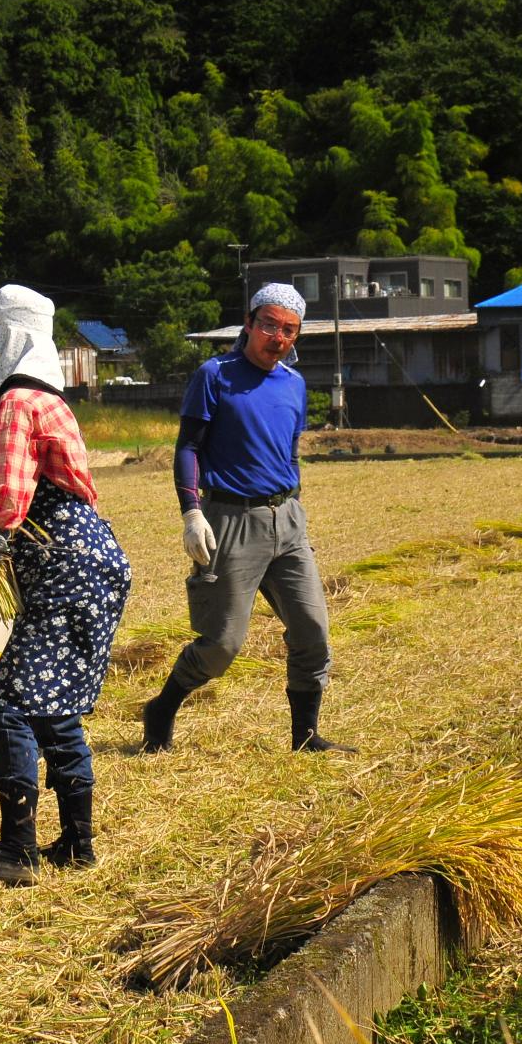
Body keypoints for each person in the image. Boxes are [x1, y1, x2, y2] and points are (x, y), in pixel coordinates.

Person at [0, 284, 132, 885]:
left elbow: (8, 498)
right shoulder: (52, 401)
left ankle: (15, 851)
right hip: (94, 561)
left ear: (8, 346)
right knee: (57, 710)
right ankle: (77, 845)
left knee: (11, 703)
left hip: (65, 565)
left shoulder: (20, 402)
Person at [140, 282, 353, 755]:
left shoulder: (294, 384)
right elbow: (189, 447)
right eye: (270, 325)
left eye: (289, 330)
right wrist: (192, 511)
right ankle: (162, 707)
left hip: (288, 519)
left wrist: (291, 505)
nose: (277, 337)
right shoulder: (215, 375)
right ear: (250, 323)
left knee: (313, 631)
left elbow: (287, 452)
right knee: (221, 645)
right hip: (230, 521)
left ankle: (306, 735)